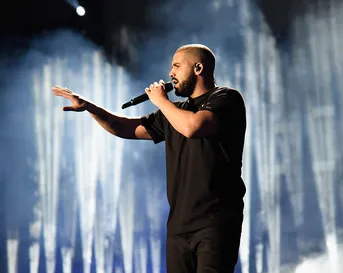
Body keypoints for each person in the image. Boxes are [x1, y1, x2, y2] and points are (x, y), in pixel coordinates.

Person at [52, 44, 247, 273]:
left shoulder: (226, 98)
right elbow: (122, 127)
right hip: (179, 225)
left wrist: (161, 102)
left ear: (198, 68)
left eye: (176, 66)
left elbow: (193, 127)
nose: (170, 73)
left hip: (215, 222)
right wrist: (90, 107)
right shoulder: (174, 111)